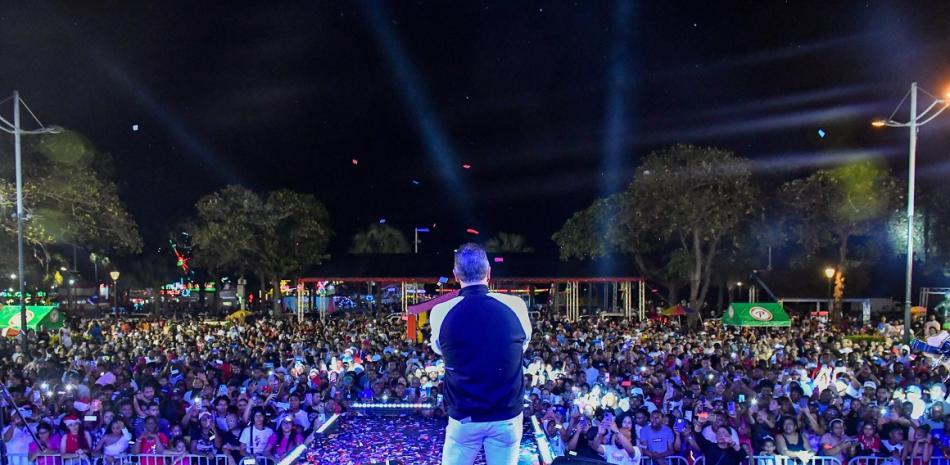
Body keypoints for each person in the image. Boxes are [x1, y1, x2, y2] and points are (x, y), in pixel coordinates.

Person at [430, 243, 532, 465]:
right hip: (506, 416)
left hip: (464, 417)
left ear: (455, 275)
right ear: (488, 273)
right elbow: (521, 346)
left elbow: (440, 350)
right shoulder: (516, 306)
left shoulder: (440, 312)